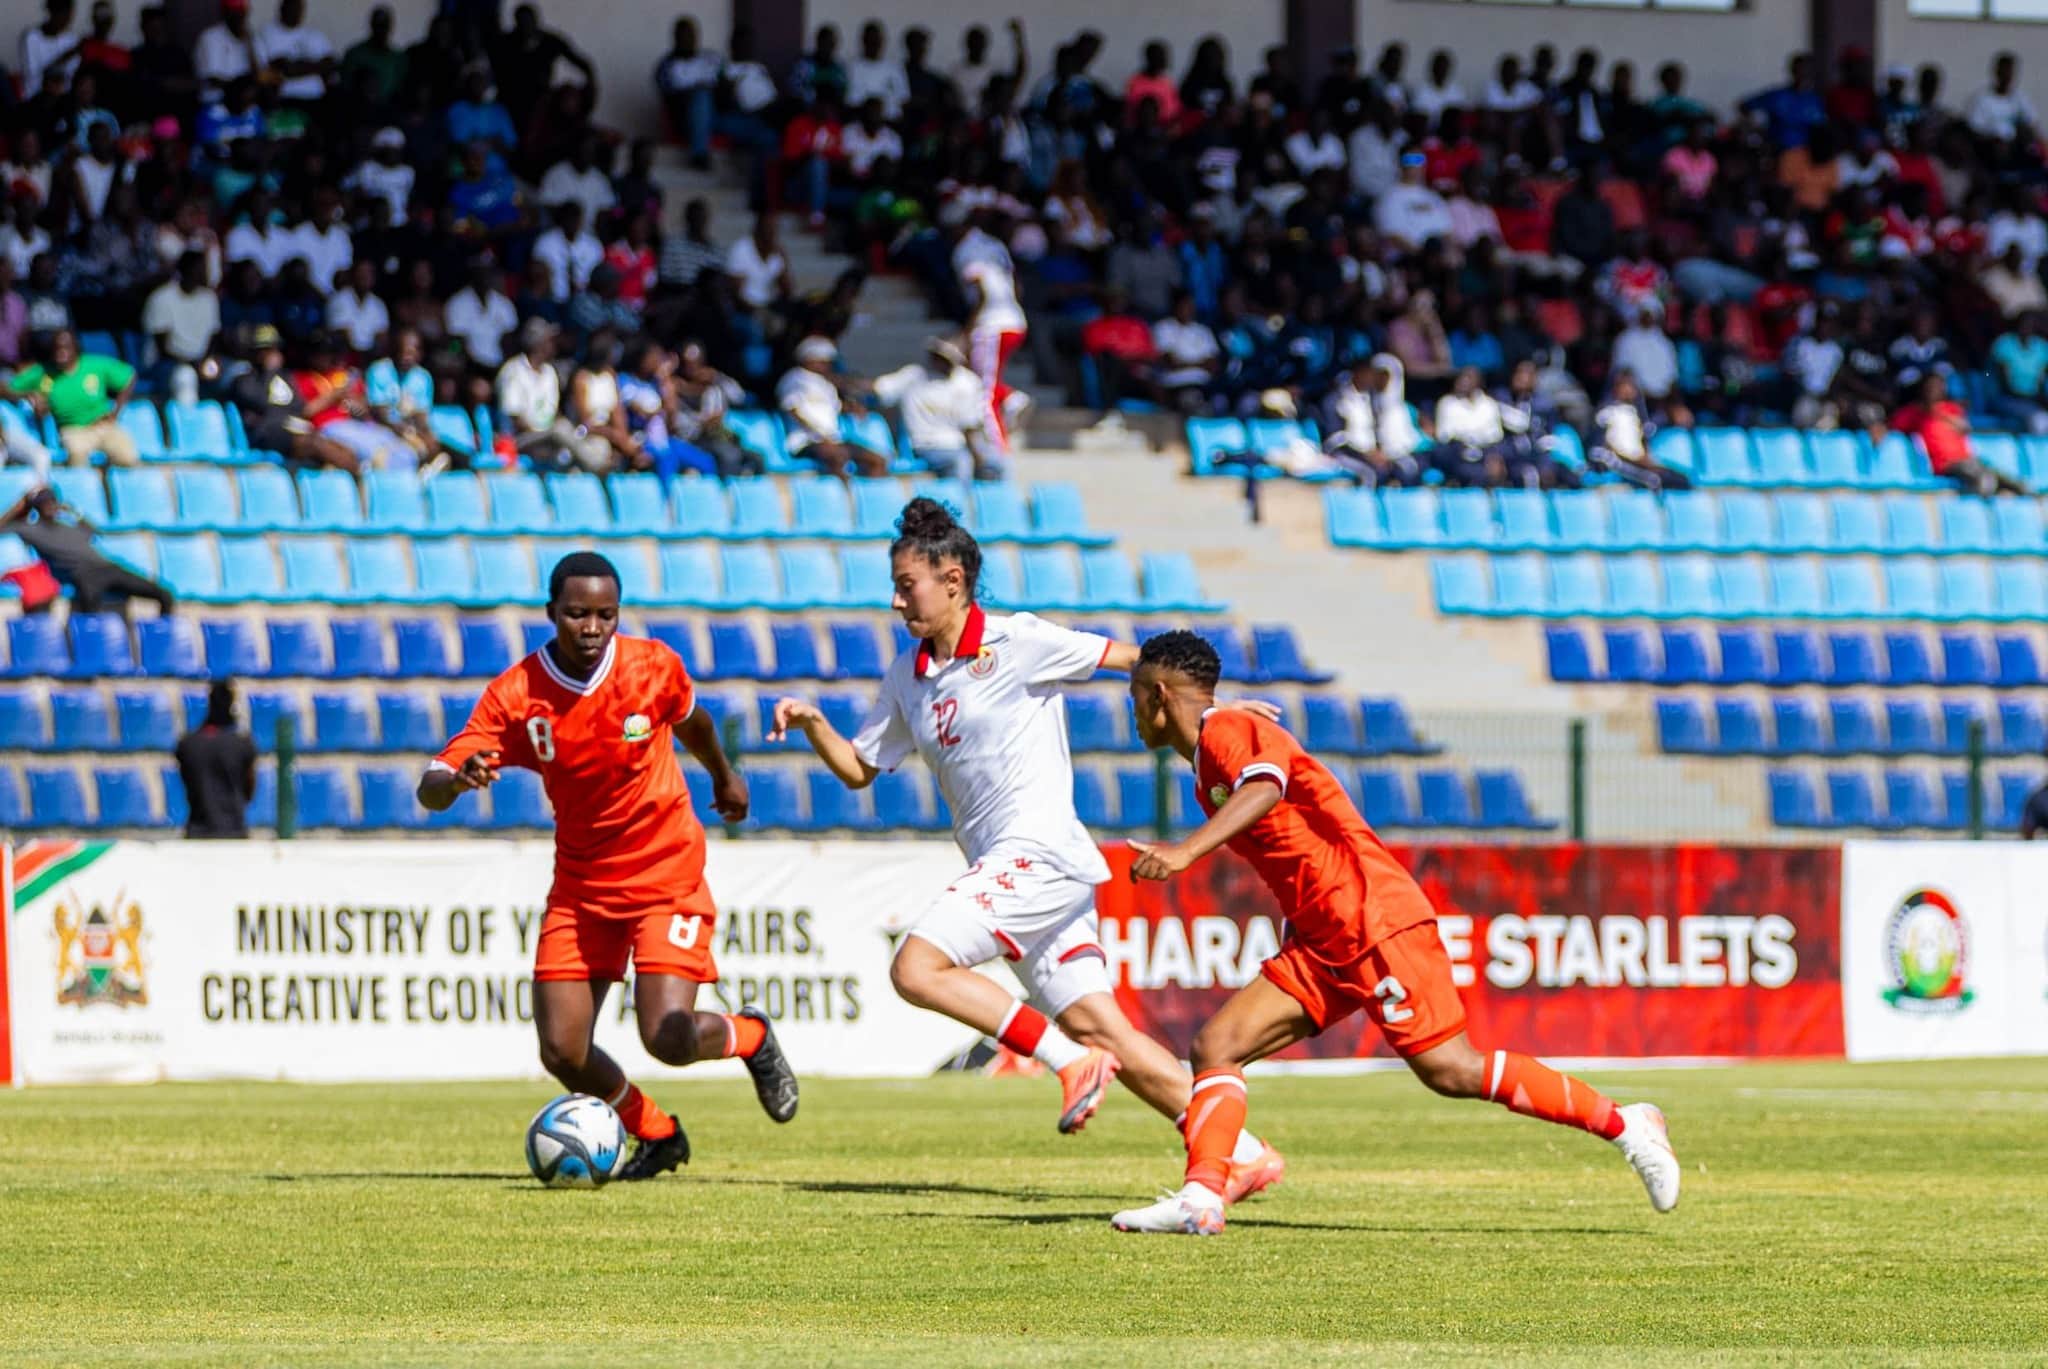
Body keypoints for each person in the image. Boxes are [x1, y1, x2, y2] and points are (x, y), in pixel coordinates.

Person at [769, 500, 1285, 1198]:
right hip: (1021, 871)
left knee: (917, 967)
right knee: (1102, 1026)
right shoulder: (906, 675)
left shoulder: (1020, 640)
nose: (895, 600)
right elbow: (862, 769)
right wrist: (808, 722)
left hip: (1037, 851)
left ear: (952, 580)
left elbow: (1139, 661)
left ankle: (1066, 1061)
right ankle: (1243, 1152)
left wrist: (1221, 707)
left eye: (905, 584)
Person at [1107, 631, 1680, 1236]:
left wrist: (1184, 853)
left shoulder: (1228, 733)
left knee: (1451, 1070)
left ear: (1159, 695)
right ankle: (1202, 1198)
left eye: (1135, 695)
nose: (1132, 711)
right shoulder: (1217, 746)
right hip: (1323, 936)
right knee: (1217, 1046)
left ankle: (1627, 1124)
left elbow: (1267, 785)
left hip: (1372, 920)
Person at [418, 551, 795, 1182]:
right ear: (551, 614)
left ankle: (749, 1035)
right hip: (582, 885)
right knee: (563, 1049)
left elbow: (693, 719)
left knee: (667, 1036)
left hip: (665, 870)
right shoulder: (518, 695)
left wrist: (725, 777)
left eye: (605, 615)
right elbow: (431, 783)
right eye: (577, 614)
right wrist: (457, 781)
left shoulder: (652, 666)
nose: (592, 628)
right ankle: (657, 1132)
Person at [0, 484, 174, 614]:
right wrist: (20, 506)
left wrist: (73, 511)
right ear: (36, 507)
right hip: (83, 574)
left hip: (109, 568)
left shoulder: (70, 525)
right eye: (45, 503)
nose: (51, 506)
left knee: (164, 595)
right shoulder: (31, 529)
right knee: (89, 615)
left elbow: (95, 531)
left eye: (53, 501)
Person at [871, 337, 1001, 482]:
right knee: (960, 463)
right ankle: (958, 502)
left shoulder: (967, 383)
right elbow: (879, 388)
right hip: (925, 444)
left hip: (959, 443)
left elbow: (970, 427)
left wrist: (979, 456)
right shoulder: (913, 376)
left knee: (999, 462)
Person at [6, 328, 137, 467]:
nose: (61, 352)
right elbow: (5, 388)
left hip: (103, 426)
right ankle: (83, 487)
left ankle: (112, 485)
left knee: (127, 456)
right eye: (57, 348)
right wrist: (27, 395)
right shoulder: (43, 372)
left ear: (76, 348)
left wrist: (115, 411)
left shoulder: (95, 365)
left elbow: (129, 376)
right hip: (73, 430)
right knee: (77, 457)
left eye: (66, 347)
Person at [776, 335, 888, 479]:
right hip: (806, 441)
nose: (826, 364)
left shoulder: (825, 383)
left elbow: (834, 408)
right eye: (822, 360)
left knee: (877, 460)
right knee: (838, 457)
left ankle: (872, 498)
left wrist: (852, 408)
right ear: (809, 358)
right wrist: (819, 433)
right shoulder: (794, 379)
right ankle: (843, 497)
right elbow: (793, 410)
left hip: (833, 439)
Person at [175, 680, 257, 839]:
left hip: (197, 833)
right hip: (234, 833)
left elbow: (186, 782)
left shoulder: (187, 744)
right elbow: (249, 789)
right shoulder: (242, 744)